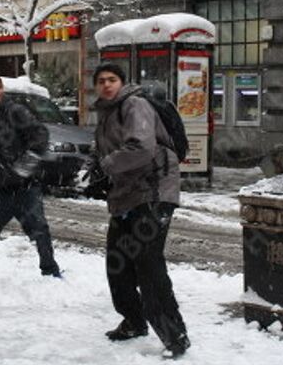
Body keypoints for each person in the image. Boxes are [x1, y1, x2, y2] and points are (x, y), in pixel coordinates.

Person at [92, 63, 190, 359]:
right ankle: (134, 322)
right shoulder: (106, 114)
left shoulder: (135, 105)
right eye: (101, 81)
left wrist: (105, 167)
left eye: (112, 80)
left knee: (148, 265)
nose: (107, 85)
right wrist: (90, 174)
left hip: (154, 192)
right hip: (125, 197)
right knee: (118, 263)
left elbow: (142, 148)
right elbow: (97, 154)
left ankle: (175, 335)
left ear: (122, 83)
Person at [0, 73, 61, 288]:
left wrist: (24, 167)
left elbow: (40, 135)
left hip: (26, 187)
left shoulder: (16, 112)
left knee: (39, 229)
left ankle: (51, 270)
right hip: (0, 190)